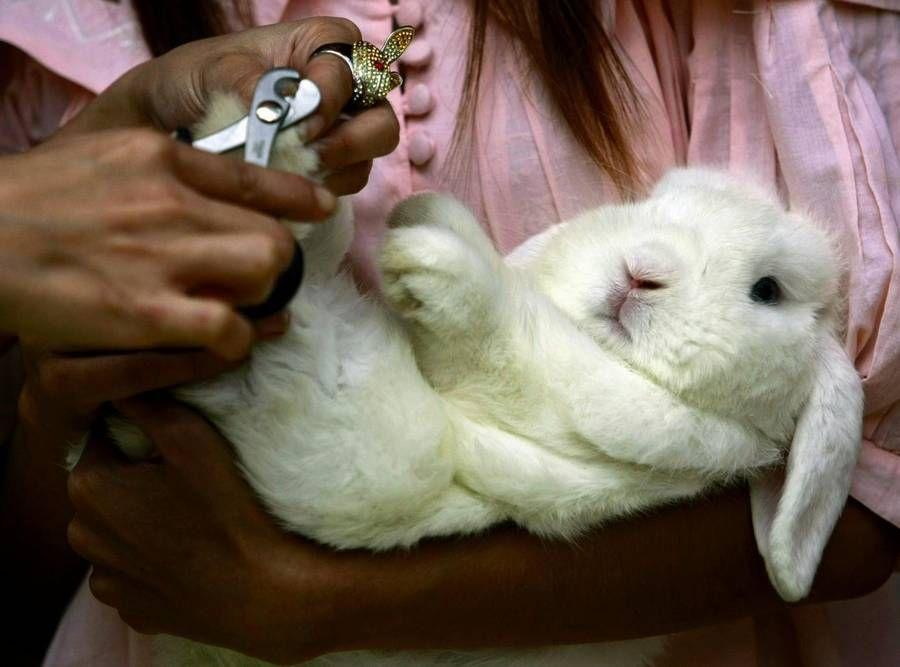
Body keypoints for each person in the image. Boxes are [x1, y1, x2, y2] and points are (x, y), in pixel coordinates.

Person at [1, 0, 898, 665]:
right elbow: (49, 518)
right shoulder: (74, 42)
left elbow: (875, 492)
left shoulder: (736, 27)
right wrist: (80, 395)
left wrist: (330, 599)